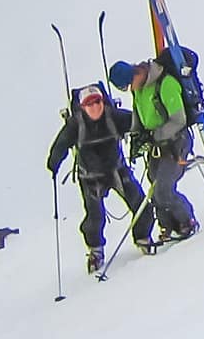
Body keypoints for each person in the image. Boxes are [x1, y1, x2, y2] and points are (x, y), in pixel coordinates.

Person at [45, 83, 152, 272]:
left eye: (98, 101)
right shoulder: (75, 124)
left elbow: (139, 121)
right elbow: (60, 145)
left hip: (117, 171)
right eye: (89, 104)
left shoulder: (114, 116)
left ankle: (143, 237)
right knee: (95, 217)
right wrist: (54, 163)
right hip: (90, 178)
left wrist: (149, 135)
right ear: (82, 107)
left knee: (140, 203)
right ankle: (95, 250)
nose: (95, 107)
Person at [109, 56, 202, 246]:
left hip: (176, 143)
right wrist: (136, 137)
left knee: (163, 189)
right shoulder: (139, 90)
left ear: (135, 74)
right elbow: (138, 117)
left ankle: (186, 221)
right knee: (154, 184)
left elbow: (179, 120)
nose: (130, 90)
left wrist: (154, 136)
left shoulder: (165, 84)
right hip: (158, 146)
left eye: (128, 86)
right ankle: (167, 225)